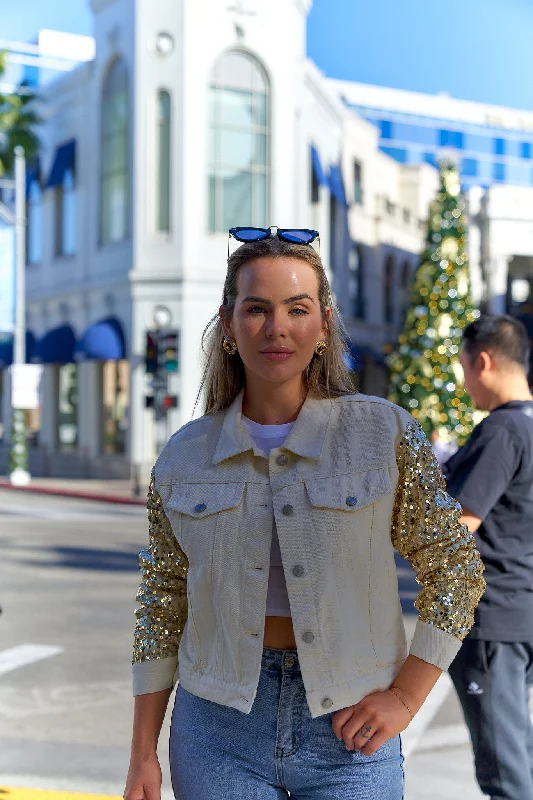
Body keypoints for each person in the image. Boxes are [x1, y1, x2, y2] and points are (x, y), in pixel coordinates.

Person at [124, 227, 485, 800]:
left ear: (322, 324)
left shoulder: (382, 433)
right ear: (228, 324)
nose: (278, 328)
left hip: (351, 730)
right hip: (217, 730)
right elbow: (162, 605)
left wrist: (405, 697)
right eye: (257, 309)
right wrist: (142, 753)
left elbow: (457, 572)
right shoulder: (183, 456)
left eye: (297, 308)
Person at [444, 314, 533, 800]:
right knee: (519, 755)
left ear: (483, 361)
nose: (464, 381)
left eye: (463, 367)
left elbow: (460, 526)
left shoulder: (501, 431)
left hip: (492, 617)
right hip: (521, 611)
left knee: (506, 774)